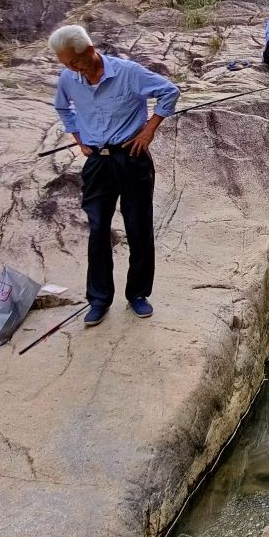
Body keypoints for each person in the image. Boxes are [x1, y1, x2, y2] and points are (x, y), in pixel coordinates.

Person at [48, 25, 180, 327]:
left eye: (73, 62)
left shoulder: (128, 73)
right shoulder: (69, 77)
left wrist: (148, 131)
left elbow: (169, 92)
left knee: (138, 227)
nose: (70, 69)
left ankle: (137, 295)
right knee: (97, 229)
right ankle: (98, 299)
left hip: (131, 158)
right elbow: (62, 108)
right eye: (65, 64)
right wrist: (79, 138)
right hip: (97, 162)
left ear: (90, 51)